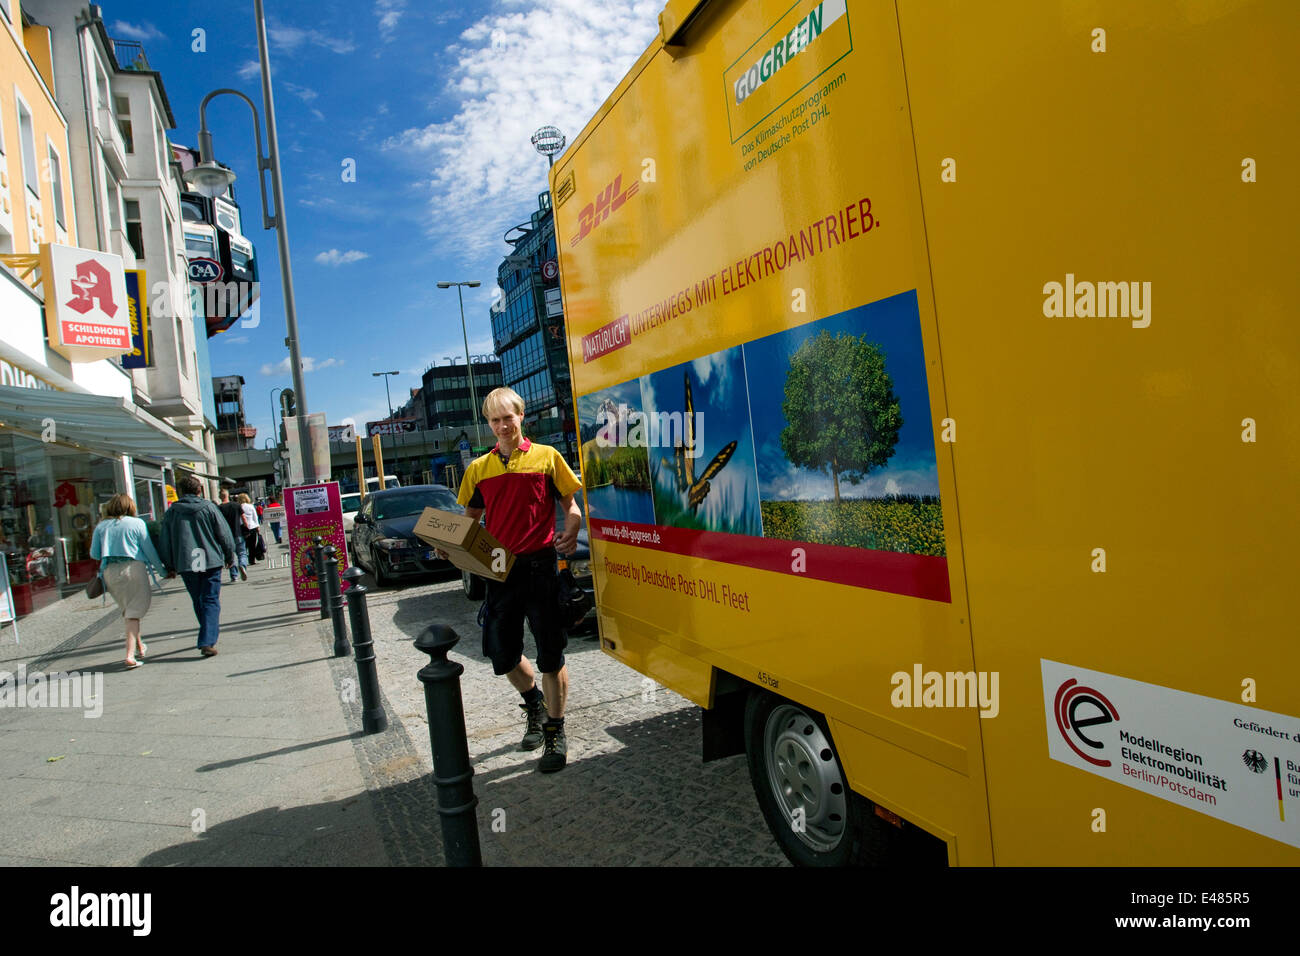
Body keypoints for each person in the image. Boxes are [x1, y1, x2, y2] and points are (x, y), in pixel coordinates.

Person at [449, 387, 582, 773]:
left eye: (508, 417)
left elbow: (571, 507)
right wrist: (448, 546)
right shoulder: (478, 469)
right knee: (501, 653)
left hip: (540, 565)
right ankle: (534, 704)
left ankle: (554, 731)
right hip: (499, 568)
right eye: (495, 420)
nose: (503, 426)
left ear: (521, 416)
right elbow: (468, 524)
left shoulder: (546, 457)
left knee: (551, 654)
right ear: (488, 425)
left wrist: (571, 531)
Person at [159, 475, 235, 658]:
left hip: (186, 562)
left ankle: (206, 635)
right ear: (199, 490)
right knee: (210, 599)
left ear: (180, 492)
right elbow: (224, 534)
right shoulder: (209, 507)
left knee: (198, 599)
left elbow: (165, 541)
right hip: (210, 559)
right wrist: (229, 554)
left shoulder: (172, 513)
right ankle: (207, 640)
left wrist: (169, 565)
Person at [89, 494, 164, 669]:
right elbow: (149, 550)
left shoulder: (101, 527)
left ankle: (139, 646)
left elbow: (94, 554)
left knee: (128, 611)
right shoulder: (137, 523)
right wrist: (162, 570)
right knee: (134, 613)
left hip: (110, 572)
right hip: (133, 569)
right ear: (130, 506)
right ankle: (129, 656)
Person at [217, 489, 248, 582]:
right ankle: (242, 565)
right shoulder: (236, 505)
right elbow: (244, 518)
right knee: (242, 553)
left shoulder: (219, 508)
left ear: (220, 497)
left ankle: (234, 575)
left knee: (230, 556)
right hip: (238, 533)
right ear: (228, 495)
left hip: (226, 536)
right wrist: (247, 528)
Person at [238, 493, 262, 563]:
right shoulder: (251, 506)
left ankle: (243, 560)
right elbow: (255, 517)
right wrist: (257, 526)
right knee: (252, 545)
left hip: (243, 528)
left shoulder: (238, 507)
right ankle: (252, 559)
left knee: (244, 545)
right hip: (252, 526)